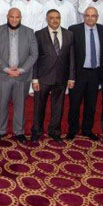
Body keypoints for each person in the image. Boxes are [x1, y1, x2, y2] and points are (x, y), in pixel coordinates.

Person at [0, 8, 38, 142]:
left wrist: (21, 70)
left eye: (17, 17)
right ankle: (0, 131)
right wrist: (6, 69)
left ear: (21, 18)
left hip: (22, 76)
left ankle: (19, 131)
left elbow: (34, 54)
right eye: (12, 17)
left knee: (20, 105)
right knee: (1, 105)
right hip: (3, 75)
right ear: (7, 16)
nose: (14, 20)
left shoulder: (29, 32)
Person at [30, 9, 73, 142]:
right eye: (52, 18)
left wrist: (71, 77)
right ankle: (37, 132)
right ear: (47, 19)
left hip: (61, 77)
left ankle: (55, 132)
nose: (55, 20)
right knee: (39, 107)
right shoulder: (39, 34)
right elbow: (35, 58)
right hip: (43, 77)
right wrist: (34, 78)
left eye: (57, 18)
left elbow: (72, 57)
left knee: (58, 107)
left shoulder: (69, 34)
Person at [67, 7, 103, 140]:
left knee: (91, 104)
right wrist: (71, 75)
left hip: (95, 73)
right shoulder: (74, 29)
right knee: (74, 104)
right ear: (84, 16)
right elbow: (70, 53)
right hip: (79, 73)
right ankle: (73, 129)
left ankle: (87, 130)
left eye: (93, 16)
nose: (90, 18)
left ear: (97, 17)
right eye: (88, 15)